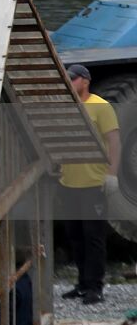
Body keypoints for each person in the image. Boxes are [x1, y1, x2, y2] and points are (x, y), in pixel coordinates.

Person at [57, 63, 120, 305]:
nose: (69, 83)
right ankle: (82, 283)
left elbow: (114, 141)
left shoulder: (100, 107)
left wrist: (112, 174)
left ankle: (96, 286)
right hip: (69, 182)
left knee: (93, 236)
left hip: (93, 182)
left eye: (73, 79)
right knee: (75, 235)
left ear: (85, 80)